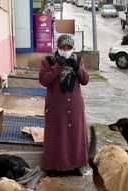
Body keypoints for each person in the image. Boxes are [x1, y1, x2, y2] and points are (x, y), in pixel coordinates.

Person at [39, 34, 90, 175]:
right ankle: (54, 167)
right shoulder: (48, 61)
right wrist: (57, 67)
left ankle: (76, 165)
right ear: (58, 47)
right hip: (56, 106)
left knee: (75, 135)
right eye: (63, 47)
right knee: (57, 135)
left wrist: (77, 68)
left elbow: (85, 80)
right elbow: (44, 80)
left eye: (69, 47)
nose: (66, 50)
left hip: (74, 105)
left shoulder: (77, 60)